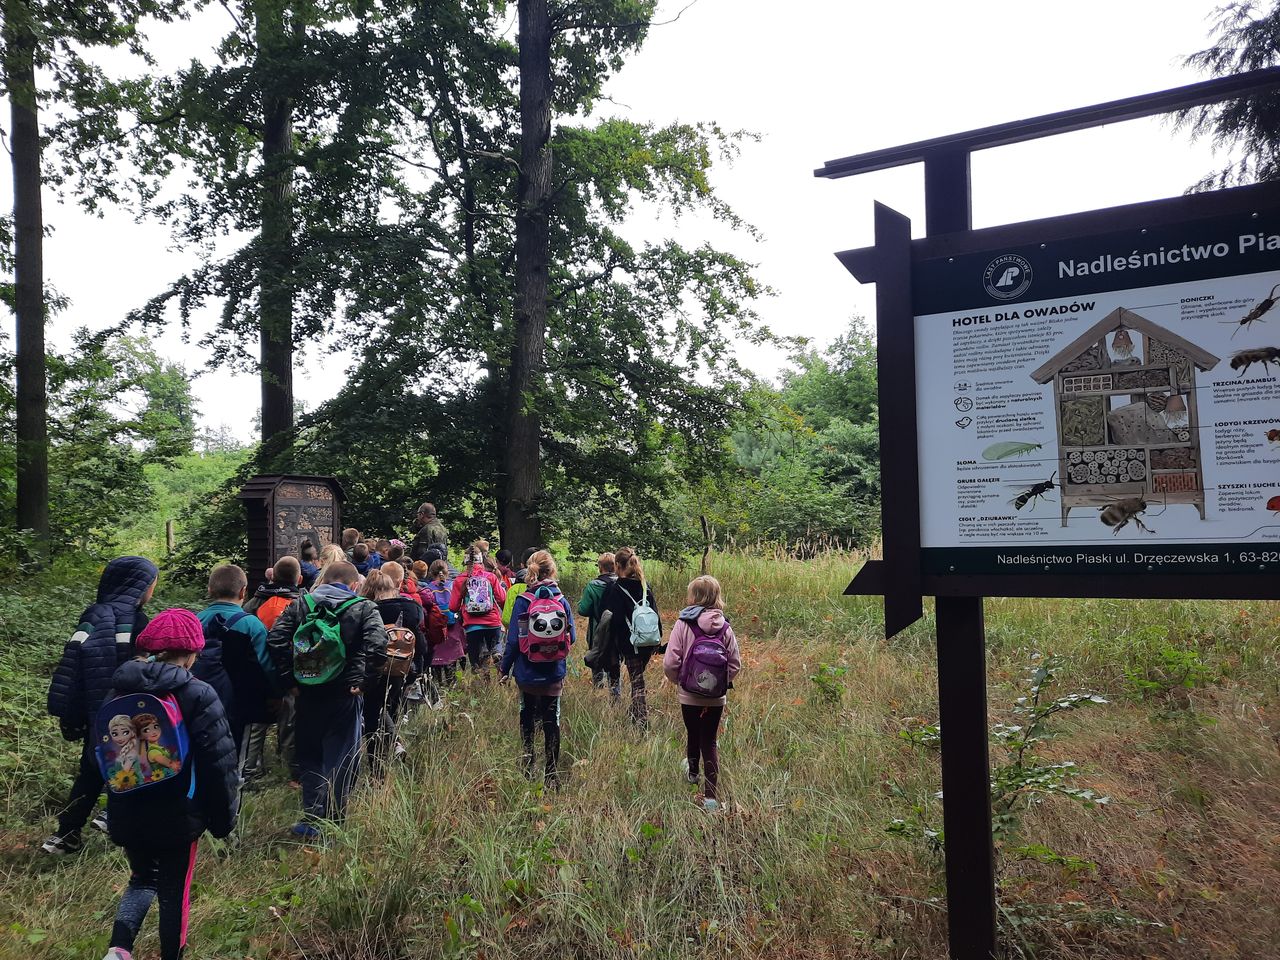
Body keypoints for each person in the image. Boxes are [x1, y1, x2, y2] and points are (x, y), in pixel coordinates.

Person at [98, 608, 239, 960]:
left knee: (141, 878)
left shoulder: (118, 688)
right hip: (180, 814)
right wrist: (223, 820)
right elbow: (218, 765)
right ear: (193, 653)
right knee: (174, 892)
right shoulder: (199, 693)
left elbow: (97, 756)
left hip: (127, 806)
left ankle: (118, 949)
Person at [44, 556, 159, 855]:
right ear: (141, 587)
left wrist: (69, 710)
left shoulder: (93, 614)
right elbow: (144, 670)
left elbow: (72, 665)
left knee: (90, 770)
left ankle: (67, 832)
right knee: (129, 766)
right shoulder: (138, 621)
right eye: (151, 584)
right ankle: (114, 819)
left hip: (96, 712)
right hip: (127, 712)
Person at [265, 561, 385, 836]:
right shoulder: (364, 607)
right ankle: (334, 820)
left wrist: (289, 681)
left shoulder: (301, 604)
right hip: (345, 692)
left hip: (307, 690)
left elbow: (275, 640)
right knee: (342, 757)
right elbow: (378, 646)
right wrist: (366, 681)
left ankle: (311, 818)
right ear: (355, 585)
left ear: (324, 580)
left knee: (310, 754)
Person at [662, 576, 741, 812]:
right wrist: (720, 684)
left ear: (693, 597)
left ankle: (693, 774)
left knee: (692, 732)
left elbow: (670, 662)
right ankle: (711, 798)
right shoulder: (725, 627)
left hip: (688, 695)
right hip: (716, 699)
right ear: (717, 597)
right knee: (710, 741)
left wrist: (681, 682)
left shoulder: (683, 623)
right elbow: (735, 664)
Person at [499, 550, 574, 785]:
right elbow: (571, 636)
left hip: (526, 672)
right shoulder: (561, 600)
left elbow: (512, 641)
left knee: (527, 715)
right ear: (552, 570)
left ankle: (528, 764)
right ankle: (551, 775)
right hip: (553, 672)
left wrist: (504, 669)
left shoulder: (523, 600)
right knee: (553, 719)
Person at [194, 564, 273, 760]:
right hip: (242, 702)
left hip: (200, 700)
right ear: (243, 591)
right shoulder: (252, 625)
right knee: (237, 752)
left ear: (210, 590)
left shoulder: (196, 621)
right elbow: (267, 665)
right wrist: (275, 694)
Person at [241, 557, 304, 784]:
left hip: (258, 672)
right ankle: (291, 771)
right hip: (291, 673)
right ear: (299, 579)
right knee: (290, 723)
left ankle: (250, 771)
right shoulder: (302, 603)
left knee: (258, 723)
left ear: (272, 576)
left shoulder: (255, 602)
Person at [360, 568, 426, 770]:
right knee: (391, 708)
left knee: (374, 713)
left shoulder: (369, 609)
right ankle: (392, 747)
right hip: (402, 669)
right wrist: (416, 671)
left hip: (375, 668)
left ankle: (378, 766)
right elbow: (421, 645)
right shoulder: (412, 609)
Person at [601, 547, 663, 727]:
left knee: (637, 682)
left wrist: (610, 644)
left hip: (630, 643)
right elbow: (655, 613)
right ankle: (634, 713)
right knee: (637, 676)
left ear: (618, 565)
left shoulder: (616, 588)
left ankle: (642, 722)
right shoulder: (645, 586)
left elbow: (613, 618)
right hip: (649, 639)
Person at [449, 544, 507, 678]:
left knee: (476, 661)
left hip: (472, 626)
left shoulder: (460, 580)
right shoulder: (490, 577)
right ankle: (498, 662)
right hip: (493, 622)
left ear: (465, 561)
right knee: (497, 644)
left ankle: (482, 682)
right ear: (481, 560)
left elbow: (453, 607)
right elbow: (502, 599)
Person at [578, 552, 618, 692]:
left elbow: (583, 610)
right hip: (617, 631)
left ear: (600, 567)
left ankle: (598, 688)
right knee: (614, 661)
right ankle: (615, 691)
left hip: (597, 630)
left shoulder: (593, 586)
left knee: (596, 657)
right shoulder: (621, 583)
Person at [426, 560, 465, 684]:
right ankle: (451, 682)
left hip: (436, 628)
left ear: (431, 573)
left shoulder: (428, 588)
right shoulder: (453, 586)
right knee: (451, 655)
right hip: (453, 625)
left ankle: (438, 682)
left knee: (437, 656)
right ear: (447, 572)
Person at [500, 547, 539, 627]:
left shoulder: (514, 589)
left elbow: (506, 619)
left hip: (519, 635)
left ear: (522, 565)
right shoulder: (550, 587)